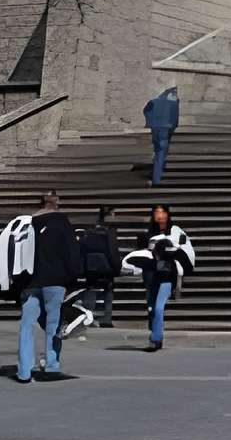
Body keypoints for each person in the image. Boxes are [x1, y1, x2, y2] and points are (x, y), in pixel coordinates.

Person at [0, 188, 83, 383]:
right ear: (57, 202)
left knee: (27, 326)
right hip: (55, 281)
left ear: (40, 202)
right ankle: (51, 365)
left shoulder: (28, 223)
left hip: (30, 283)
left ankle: (24, 371)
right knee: (53, 325)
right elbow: (72, 253)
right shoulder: (62, 222)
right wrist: (73, 281)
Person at [122, 205, 196, 350]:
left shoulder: (175, 232)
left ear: (168, 214)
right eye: (157, 212)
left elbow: (181, 250)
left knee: (159, 307)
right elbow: (141, 254)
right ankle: (156, 333)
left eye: (163, 212)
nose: (160, 215)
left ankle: (155, 339)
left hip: (167, 274)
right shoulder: (148, 234)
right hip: (151, 275)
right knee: (151, 307)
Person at [80, 204, 123, 328]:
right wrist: (117, 267)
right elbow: (112, 251)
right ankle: (106, 317)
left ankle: (88, 317)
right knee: (108, 291)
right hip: (106, 267)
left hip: (91, 267)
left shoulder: (90, 232)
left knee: (91, 290)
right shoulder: (109, 233)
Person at [144, 83, 180, 188]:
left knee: (157, 150)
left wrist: (150, 121)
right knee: (161, 152)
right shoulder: (175, 104)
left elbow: (146, 110)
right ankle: (156, 179)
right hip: (167, 129)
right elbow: (175, 120)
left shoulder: (154, 101)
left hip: (156, 128)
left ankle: (155, 174)